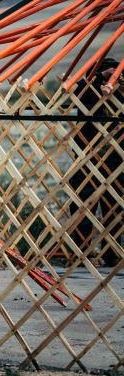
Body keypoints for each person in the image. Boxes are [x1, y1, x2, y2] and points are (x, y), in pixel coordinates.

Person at [68, 57, 123, 267]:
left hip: (115, 162)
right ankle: (81, 255)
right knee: (83, 209)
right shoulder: (87, 92)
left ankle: (111, 254)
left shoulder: (119, 93)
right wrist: (101, 77)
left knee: (114, 210)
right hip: (87, 160)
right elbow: (78, 88)